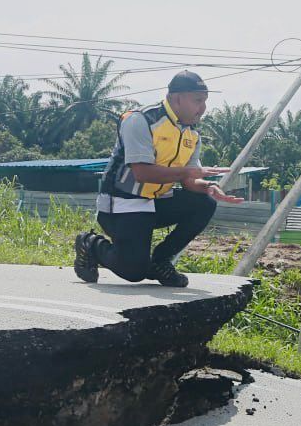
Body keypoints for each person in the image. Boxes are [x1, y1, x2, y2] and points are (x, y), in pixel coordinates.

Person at [74, 70, 241, 288]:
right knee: (133, 271)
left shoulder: (192, 134)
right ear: (176, 98)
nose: (203, 108)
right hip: (122, 204)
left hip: (154, 203)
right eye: (198, 100)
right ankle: (90, 243)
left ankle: (160, 261)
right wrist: (186, 174)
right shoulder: (140, 120)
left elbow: (190, 181)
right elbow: (142, 172)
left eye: (205, 101)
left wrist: (208, 186)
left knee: (204, 203)